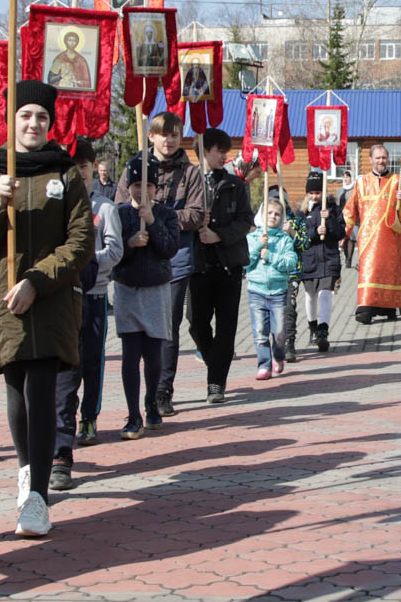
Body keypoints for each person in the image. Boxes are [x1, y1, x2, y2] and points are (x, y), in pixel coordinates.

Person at [0, 80, 92, 537]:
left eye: (41, 117)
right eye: (25, 115)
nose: (34, 123)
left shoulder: (65, 174)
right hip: (4, 299)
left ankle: (38, 497)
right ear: (12, 119)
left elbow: (80, 241)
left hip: (51, 297)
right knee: (17, 391)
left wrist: (38, 281)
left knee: (42, 391)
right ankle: (26, 469)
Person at [115, 112, 206, 416]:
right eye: (162, 134)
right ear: (150, 136)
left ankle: (162, 389)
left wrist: (160, 217)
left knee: (169, 327)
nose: (169, 141)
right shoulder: (134, 167)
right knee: (132, 340)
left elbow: (195, 215)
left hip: (175, 259)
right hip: (135, 262)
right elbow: (119, 210)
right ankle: (135, 404)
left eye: (175, 135)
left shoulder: (191, 173)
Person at [55, 142, 121, 454]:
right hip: (63, 300)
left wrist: (88, 261)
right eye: (73, 165)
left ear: (93, 167)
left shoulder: (104, 208)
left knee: (93, 362)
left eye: (84, 165)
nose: (79, 172)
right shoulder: (57, 205)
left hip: (94, 296)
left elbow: (116, 250)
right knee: (67, 365)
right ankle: (60, 422)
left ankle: (90, 418)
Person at [112, 158, 181, 438]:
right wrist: (129, 245)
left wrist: (152, 223)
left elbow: (170, 248)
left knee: (153, 354)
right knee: (130, 355)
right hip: (127, 290)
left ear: (156, 188)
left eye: (148, 185)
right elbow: (113, 254)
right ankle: (132, 413)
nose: (143, 191)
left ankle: (152, 401)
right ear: (129, 186)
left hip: (156, 290)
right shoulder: (119, 214)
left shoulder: (166, 214)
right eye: (137, 184)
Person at [188, 129, 252, 404]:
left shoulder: (235, 185)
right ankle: (214, 360)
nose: (224, 155)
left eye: (226, 151)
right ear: (204, 150)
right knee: (196, 323)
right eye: (218, 150)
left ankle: (217, 382)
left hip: (229, 266)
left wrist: (219, 235)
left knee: (226, 327)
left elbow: (245, 221)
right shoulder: (190, 182)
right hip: (198, 266)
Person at [344, 143, 401, 323]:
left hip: (391, 237)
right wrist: (344, 234)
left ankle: (389, 308)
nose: (381, 161)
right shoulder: (361, 183)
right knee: (369, 272)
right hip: (368, 238)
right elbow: (350, 210)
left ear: (388, 159)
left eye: (384, 158)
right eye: (378, 158)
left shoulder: (399, 181)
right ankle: (365, 308)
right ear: (370, 160)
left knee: (389, 272)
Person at [246, 200, 301, 379]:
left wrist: (270, 255)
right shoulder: (252, 238)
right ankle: (264, 364)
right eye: (269, 213)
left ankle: (279, 355)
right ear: (261, 215)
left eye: (277, 214)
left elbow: (290, 262)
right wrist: (257, 247)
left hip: (278, 291)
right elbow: (245, 262)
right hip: (256, 290)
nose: (272, 217)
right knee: (260, 331)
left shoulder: (284, 239)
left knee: (279, 332)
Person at [295, 172, 346, 353]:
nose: (315, 196)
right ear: (307, 193)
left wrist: (330, 220)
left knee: (325, 293)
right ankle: (313, 327)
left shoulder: (333, 208)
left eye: (318, 192)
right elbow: (298, 237)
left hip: (329, 259)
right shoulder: (302, 212)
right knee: (310, 296)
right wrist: (315, 231)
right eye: (312, 193)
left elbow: (341, 232)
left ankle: (323, 331)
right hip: (309, 261)